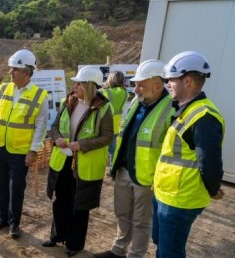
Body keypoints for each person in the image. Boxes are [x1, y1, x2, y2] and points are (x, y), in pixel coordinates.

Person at [94, 60, 174, 258]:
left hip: (147, 176)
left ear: (157, 86)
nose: (135, 88)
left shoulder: (171, 108)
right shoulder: (138, 101)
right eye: (136, 83)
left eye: (141, 84)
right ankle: (118, 249)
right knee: (122, 213)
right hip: (124, 169)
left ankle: (136, 254)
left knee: (141, 220)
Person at [152, 51, 225, 258]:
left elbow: (210, 163)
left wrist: (213, 189)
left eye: (171, 80)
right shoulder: (184, 110)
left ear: (187, 81)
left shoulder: (204, 116)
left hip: (180, 201)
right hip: (166, 194)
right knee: (162, 246)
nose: (167, 84)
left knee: (170, 253)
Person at [42, 66, 114, 257]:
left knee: (78, 204)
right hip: (63, 161)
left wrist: (82, 145)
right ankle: (56, 236)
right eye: (74, 83)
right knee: (60, 200)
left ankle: (74, 244)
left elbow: (107, 137)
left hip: (84, 165)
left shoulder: (103, 107)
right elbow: (55, 126)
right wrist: (57, 137)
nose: (74, 87)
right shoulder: (69, 101)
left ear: (90, 86)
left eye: (79, 84)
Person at [0, 49, 48, 239]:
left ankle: (14, 223)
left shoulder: (40, 96)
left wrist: (33, 150)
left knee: (16, 189)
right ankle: (3, 218)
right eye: (11, 69)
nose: (10, 72)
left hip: (20, 152)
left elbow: (41, 125)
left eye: (15, 69)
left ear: (27, 72)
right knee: (1, 186)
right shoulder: (4, 88)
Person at [101, 71, 129, 163]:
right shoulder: (125, 93)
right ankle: (113, 170)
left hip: (104, 127)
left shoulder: (105, 92)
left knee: (101, 150)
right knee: (113, 150)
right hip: (116, 127)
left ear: (110, 79)